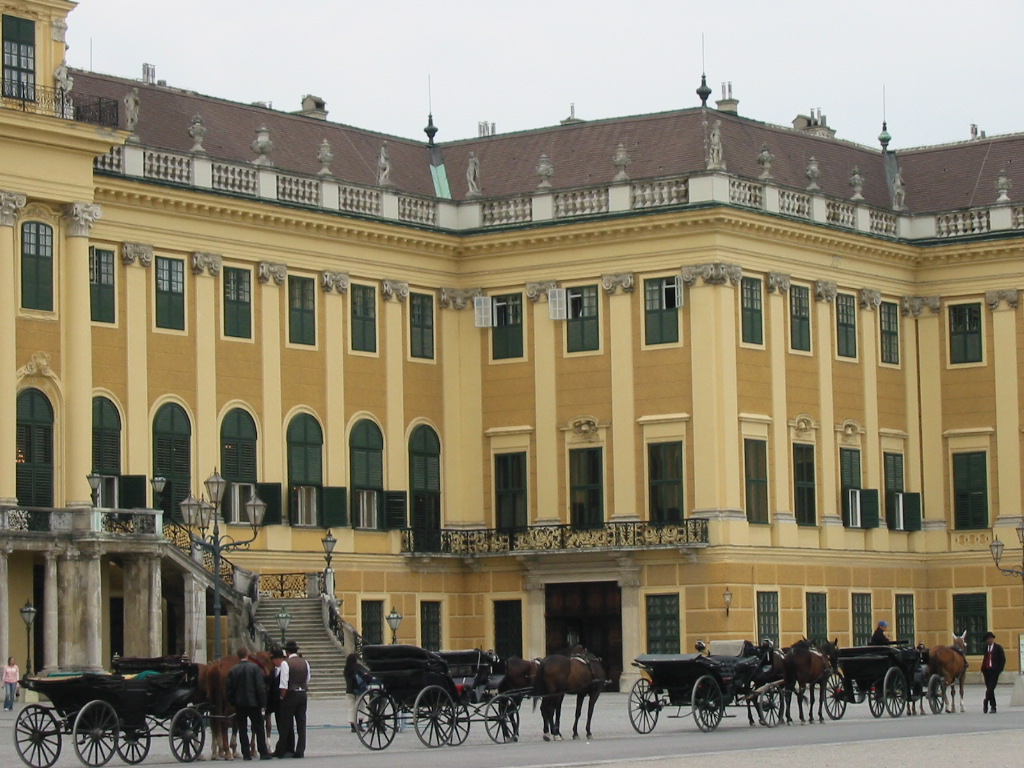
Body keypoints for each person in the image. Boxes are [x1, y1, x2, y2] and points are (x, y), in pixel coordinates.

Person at [225, 647, 271, 761]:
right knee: (259, 727)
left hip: (240, 704)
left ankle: (246, 753)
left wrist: (234, 702)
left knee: (242, 729)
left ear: (238, 656)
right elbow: (260, 687)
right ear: (247, 655)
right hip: (254, 703)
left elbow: (229, 690)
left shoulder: (233, 670)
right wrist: (263, 703)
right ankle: (263, 752)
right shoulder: (255, 668)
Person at [274, 640, 310, 758]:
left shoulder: (286, 663)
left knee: (286, 723)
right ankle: (300, 750)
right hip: (302, 694)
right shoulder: (305, 662)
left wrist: (282, 697)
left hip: (291, 694)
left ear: (287, 652)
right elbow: (307, 678)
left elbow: (283, 683)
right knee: (301, 723)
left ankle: (281, 749)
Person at [981, 631, 1006, 714]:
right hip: (987, 671)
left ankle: (986, 702)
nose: (990, 640)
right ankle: (993, 707)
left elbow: (1002, 659)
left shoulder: (998, 648)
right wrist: (983, 669)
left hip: (994, 671)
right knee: (990, 689)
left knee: (990, 688)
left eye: (991, 639)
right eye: (988, 639)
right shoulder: (986, 648)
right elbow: (985, 658)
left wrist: (999, 669)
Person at [344, 653, 369, 732]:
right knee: (361, 707)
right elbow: (366, 675)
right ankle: (360, 724)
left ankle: (352, 726)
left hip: (349, 690)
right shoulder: (357, 667)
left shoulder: (346, 669)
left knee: (351, 708)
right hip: (359, 690)